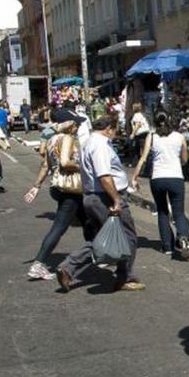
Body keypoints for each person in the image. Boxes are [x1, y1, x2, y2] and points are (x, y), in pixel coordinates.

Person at [56, 116, 145, 292]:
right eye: (115, 130)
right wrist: (116, 200)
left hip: (93, 196)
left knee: (103, 238)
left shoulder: (88, 142)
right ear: (109, 128)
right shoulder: (100, 145)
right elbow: (104, 175)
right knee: (127, 237)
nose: (115, 134)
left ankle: (68, 268)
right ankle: (124, 277)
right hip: (105, 197)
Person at [24, 112, 87, 280]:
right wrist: (83, 166)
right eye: (76, 123)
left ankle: (97, 252)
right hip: (70, 188)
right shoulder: (67, 139)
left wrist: (36, 186)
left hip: (60, 188)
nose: (77, 127)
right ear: (68, 124)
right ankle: (38, 263)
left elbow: (46, 165)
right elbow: (65, 162)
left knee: (87, 220)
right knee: (59, 226)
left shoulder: (52, 140)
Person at [131, 112, 189, 260]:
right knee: (178, 212)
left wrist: (134, 177)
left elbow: (143, 158)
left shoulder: (152, 137)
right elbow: (185, 159)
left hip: (157, 178)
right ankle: (183, 236)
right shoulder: (179, 137)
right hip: (176, 178)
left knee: (162, 211)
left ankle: (167, 246)